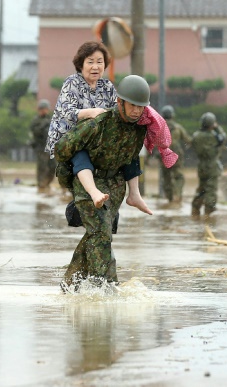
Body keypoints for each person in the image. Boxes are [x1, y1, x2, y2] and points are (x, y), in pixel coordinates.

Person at [46, 41, 175, 210]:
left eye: (99, 62)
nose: (95, 66)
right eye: (90, 61)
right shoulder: (72, 83)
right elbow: (66, 112)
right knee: (81, 155)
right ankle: (93, 192)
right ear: (81, 64)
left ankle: (135, 194)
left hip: (97, 136)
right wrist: (91, 112)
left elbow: (118, 109)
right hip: (71, 138)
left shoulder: (106, 86)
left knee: (129, 144)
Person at [55, 75, 154, 291]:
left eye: (141, 106)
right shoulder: (98, 123)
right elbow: (62, 148)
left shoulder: (139, 128)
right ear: (120, 102)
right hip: (89, 181)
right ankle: (106, 289)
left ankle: (70, 284)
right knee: (101, 233)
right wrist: (79, 167)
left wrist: (134, 193)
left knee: (99, 233)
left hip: (116, 185)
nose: (137, 111)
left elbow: (132, 159)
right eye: (133, 105)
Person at [191, 112, 226, 218]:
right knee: (211, 189)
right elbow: (223, 137)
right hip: (212, 166)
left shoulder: (196, 136)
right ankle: (209, 213)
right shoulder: (214, 136)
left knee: (201, 188)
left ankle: (195, 209)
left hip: (201, 166)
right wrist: (217, 127)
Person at [159, 105, 191, 205]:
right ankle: (177, 195)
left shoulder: (159, 127)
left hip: (163, 155)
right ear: (172, 115)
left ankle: (169, 197)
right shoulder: (178, 127)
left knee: (166, 176)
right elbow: (188, 140)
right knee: (178, 176)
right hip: (176, 155)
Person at [30, 99, 56, 190]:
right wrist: (43, 125)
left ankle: (47, 182)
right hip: (41, 147)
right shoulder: (36, 120)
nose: (44, 111)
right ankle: (41, 185)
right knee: (42, 166)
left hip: (51, 147)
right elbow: (35, 132)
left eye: (46, 109)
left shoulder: (50, 118)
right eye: (43, 109)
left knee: (53, 166)